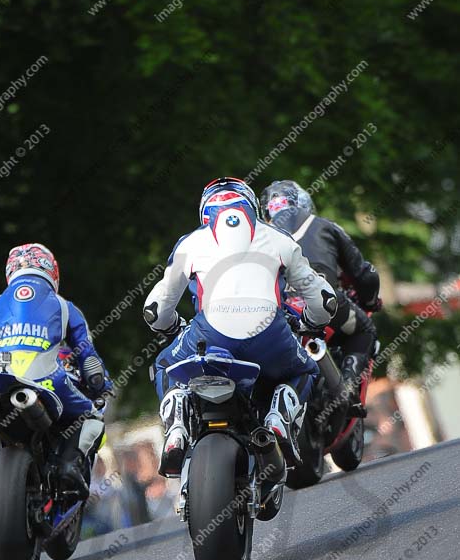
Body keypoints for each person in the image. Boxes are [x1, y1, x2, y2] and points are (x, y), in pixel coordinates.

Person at [143, 177, 338, 477]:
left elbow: (156, 309)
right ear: (252, 208)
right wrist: (311, 322)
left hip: (209, 337)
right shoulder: (279, 238)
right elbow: (324, 301)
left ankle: (177, 421)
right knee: (304, 370)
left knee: (163, 364)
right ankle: (279, 417)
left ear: (205, 212)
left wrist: (171, 329)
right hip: (272, 337)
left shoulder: (191, 242)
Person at [0, 243, 112, 504]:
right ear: (52, 271)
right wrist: (101, 385)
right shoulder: (64, 306)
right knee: (93, 417)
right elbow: (89, 360)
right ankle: (68, 466)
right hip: (49, 380)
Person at [260, 180, 381, 410]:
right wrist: (371, 301)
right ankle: (345, 390)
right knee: (364, 330)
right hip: (325, 302)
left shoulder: (257, 236)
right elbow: (365, 275)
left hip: (275, 311)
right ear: (304, 202)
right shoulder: (324, 225)